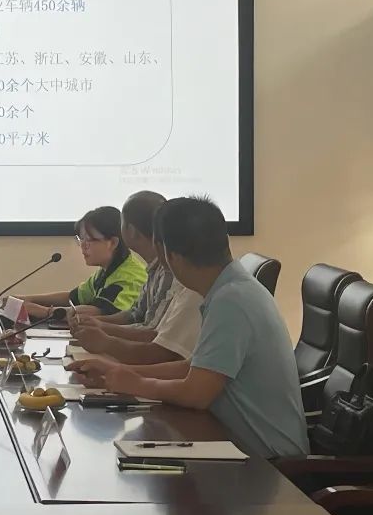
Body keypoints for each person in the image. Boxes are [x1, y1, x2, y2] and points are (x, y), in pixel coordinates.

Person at [67, 196, 309, 459]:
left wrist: (137, 383)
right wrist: (116, 373)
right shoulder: (229, 289)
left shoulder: (232, 300)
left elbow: (196, 393)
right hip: (236, 443)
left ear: (170, 255)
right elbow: (193, 368)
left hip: (268, 462)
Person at [69, 193, 204, 365]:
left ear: (130, 231)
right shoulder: (155, 268)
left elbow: (156, 339)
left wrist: (105, 339)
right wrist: (97, 325)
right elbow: (136, 315)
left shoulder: (177, 277)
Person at [17, 205, 148, 319]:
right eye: (81, 239)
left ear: (113, 242)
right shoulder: (107, 270)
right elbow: (73, 297)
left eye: (89, 240)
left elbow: (100, 313)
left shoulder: (130, 276)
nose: (83, 246)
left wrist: (44, 311)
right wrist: (27, 299)